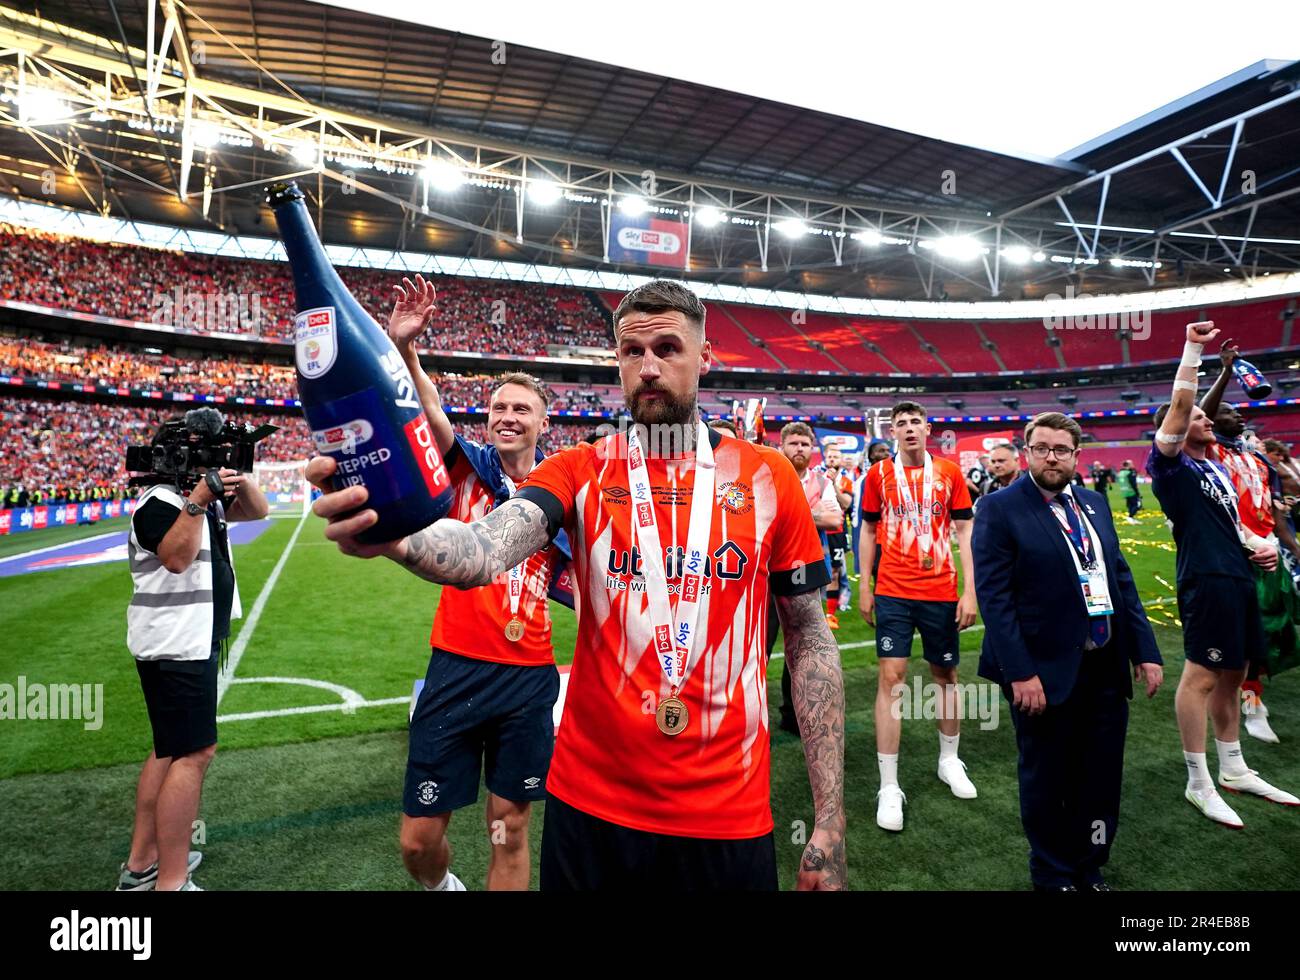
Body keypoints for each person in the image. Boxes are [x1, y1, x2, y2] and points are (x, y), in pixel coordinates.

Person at [308, 278, 846, 890]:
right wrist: (397, 539)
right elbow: (485, 548)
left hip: (727, 813)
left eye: (668, 349)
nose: (647, 367)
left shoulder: (767, 475)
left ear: (705, 355)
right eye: (631, 352)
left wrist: (828, 820)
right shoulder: (579, 468)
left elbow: (811, 639)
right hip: (591, 804)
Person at [386, 275, 570, 891]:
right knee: (419, 838)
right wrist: (407, 351)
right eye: (499, 409)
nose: (508, 418)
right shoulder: (467, 469)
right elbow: (429, 410)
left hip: (526, 677)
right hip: (456, 669)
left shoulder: (565, 492)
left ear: (544, 423)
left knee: (509, 829)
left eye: (522, 409)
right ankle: (443, 887)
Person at [973, 412, 1163, 891]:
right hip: (1042, 671)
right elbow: (995, 600)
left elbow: (1119, 580)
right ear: (1027, 452)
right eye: (1042, 448)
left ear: (1077, 456)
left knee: (1099, 775)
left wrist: (1145, 649)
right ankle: (1053, 872)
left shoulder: (1095, 504)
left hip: (1103, 663)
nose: (1051, 457)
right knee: (1046, 777)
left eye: (1061, 449)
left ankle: (1089, 864)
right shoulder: (1000, 508)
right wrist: (1020, 673)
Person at [1148, 320, 1299, 829]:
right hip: (1205, 579)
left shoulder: (1212, 466)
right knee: (1202, 676)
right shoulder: (1169, 464)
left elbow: (1233, 524)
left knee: (1235, 673)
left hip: (1236, 576)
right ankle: (1198, 780)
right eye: (1196, 417)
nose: (1208, 420)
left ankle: (1234, 768)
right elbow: (1183, 401)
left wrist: (1261, 547)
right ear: (1175, 424)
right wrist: (1195, 348)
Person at [119, 408, 269, 891]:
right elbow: (178, 558)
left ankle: (141, 866)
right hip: (175, 645)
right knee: (194, 754)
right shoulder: (159, 502)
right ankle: (171, 882)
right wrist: (201, 497)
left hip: (185, 640)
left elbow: (258, 511)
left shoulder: (188, 500)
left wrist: (235, 475)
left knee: (168, 752)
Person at [859, 401, 979, 832]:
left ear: (927, 429)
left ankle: (949, 759)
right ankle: (889, 786)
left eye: (915, 422)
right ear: (892, 431)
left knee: (945, 676)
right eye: (901, 423)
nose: (909, 428)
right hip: (893, 589)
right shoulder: (877, 475)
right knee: (891, 679)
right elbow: (869, 529)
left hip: (941, 590)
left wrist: (970, 590)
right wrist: (865, 583)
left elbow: (965, 531)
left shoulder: (949, 473)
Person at [1200, 342, 1300, 745]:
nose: (1236, 412)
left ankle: (1250, 691)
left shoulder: (1258, 458)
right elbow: (1204, 413)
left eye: (1237, 410)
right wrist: (1225, 372)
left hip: (1269, 552)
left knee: (1275, 628)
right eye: (1228, 410)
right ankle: (1250, 701)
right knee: (1245, 631)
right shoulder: (1209, 453)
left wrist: (1292, 547)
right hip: (1233, 552)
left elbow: (1277, 513)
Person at [771, 422, 843, 735]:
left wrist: (789, 510)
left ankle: (793, 714)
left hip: (807, 572)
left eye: (804, 443)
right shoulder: (768, 473)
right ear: (782, 446)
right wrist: (809, 513)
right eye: (794, 443)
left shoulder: (822, 481)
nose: (799, 448)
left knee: (802, 648)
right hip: (766, 573)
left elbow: (834, 518)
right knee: (757, 646)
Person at [1117, 459, 1141, 524]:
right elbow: (1133, 483)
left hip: (1124, 491)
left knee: (1130, 505)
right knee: (1137, 505)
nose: (1133, 465)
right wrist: (1137, 492)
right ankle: (1130, 517)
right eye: (1131, 464)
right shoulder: (1129, 473)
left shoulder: (1121, 473)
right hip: (1131, 491)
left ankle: (1131, 519)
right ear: (1128, 465)